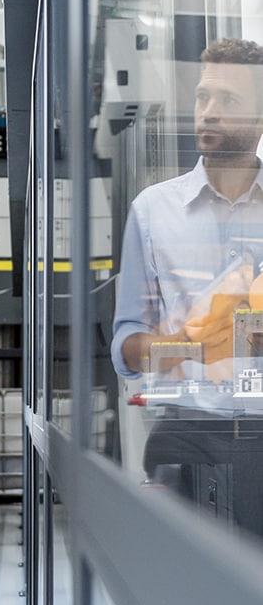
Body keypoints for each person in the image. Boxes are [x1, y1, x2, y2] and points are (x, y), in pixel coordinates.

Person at [111, 37, 263, 532]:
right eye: (203, 98)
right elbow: (127, 349)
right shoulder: (152, 213)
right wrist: (193, 343)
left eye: (229, 101)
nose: (209, 112)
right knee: (184, 603)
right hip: (186, 436)